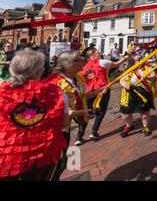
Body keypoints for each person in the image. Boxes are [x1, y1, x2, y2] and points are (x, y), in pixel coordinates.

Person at [0, 49, 68, 181]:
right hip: (44, 157)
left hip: (7, 158)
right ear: (38, 71)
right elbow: (64, 124)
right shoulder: (57, 92)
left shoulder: (1, 90)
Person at [45, 51, 103, 180]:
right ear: (67, 65)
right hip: (54, 131)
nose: (83, 60)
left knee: (61, 160)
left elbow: (81, 97)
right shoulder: (54, 83)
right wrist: (84, 112)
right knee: (57, 163)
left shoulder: (77, 77)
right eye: (79, 59)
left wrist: (97, 92)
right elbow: (61, 111)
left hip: (66, 126)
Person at [78, 48, 128, 142]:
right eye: (97, 52)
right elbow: (116, 64)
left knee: (88, 112)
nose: (99, 53)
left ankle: (79, 137)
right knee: (101, 110)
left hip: (90, 91)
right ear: (93, 55)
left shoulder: (84, 67)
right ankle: (94, 132)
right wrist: (125, 58)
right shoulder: (102, 62)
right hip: (102, 89)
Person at [119, 55, 157, 137]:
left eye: (141, 58)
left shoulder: (148, 67)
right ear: (133, 62)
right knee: (126, 113)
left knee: (144, 111)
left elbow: (153, 77)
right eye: (137, 60)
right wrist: (127, 86)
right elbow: (121, 80)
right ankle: (129, 126)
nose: (140, 60)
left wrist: (147, 78)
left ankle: (145, 127)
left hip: (144, 92)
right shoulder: (130, 70)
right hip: (130, 92)